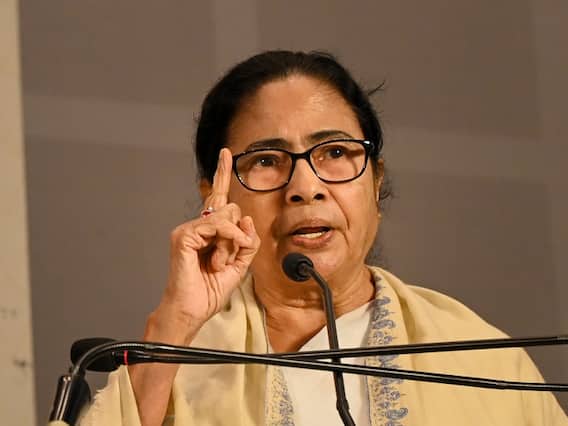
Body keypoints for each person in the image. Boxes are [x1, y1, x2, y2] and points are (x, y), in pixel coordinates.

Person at [77, 50, 567, 426]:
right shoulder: (179, 364)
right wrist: (176, 323)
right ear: (217, 197)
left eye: (334, 152)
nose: (305, 187)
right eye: (266, 161)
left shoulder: (480, 360)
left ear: (375, 181)